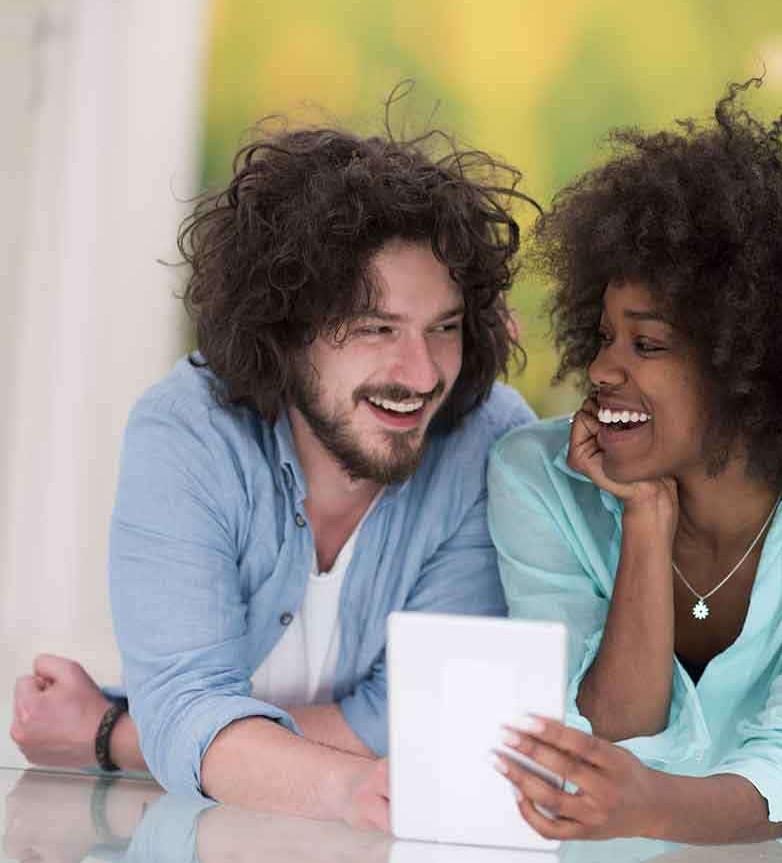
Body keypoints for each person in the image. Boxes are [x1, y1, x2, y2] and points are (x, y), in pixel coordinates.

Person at [10, 104, 536, 828]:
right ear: (283, 334)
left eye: (443, 328)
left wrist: (114, 735)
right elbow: (194, 704)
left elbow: (418, 716)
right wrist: (342, 786)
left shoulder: (490, 440)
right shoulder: (186, 432)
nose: (419, 373)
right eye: (374, 328)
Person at [487, 79, 782, 844]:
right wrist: (643, 516)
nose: (603, 369)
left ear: (751, 370)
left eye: (646, 344)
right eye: (604, 336)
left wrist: (645, 804)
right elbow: (604, 735)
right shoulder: (535, 474)